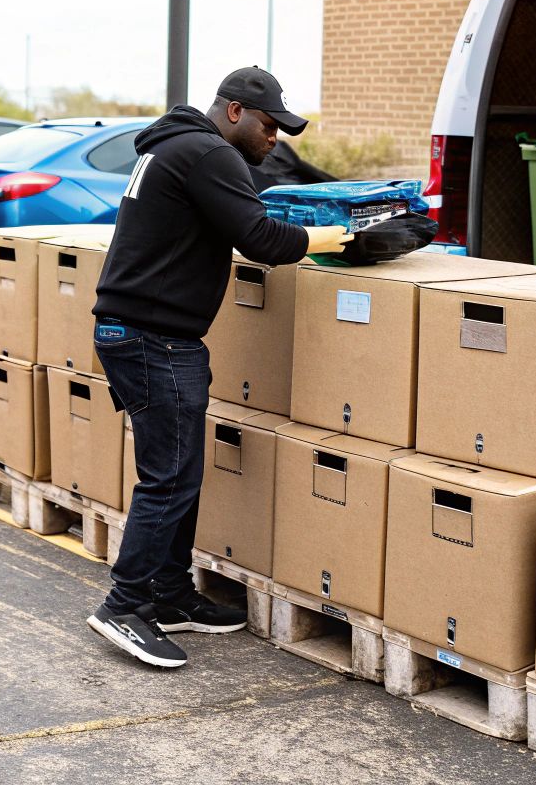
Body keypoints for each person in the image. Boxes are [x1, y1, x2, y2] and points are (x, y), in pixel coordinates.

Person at [84, 66, 350, 669]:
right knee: (169, 479)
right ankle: (124, 606)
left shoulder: (175, 147)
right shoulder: (207, 154)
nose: (274, 140)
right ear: (235, 111)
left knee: (178, 475)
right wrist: (331, 238)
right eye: (268, 126)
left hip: (142, 333)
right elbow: (259, 238)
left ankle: (171, 593)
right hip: (155, 339)